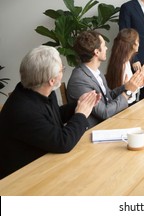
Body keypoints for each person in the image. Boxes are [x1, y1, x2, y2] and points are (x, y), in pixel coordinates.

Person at [0, 45, 100, 179]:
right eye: (61, 69)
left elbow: (53, 116)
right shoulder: (23, 110)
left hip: (45, 166)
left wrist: (80, 104)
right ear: (52, 80)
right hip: (21, 180)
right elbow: (62, 142)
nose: (63, 71)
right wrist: (81, 114)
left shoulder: (41, 90)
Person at [67, 31, 144, 127]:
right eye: (104, 46)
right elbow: (105, 112)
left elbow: (109, 96)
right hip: (95, 130)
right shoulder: (79, 80)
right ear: (97, 52)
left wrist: (128, 86)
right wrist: (128, 92)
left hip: (109, 124)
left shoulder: (95, 72)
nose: (107, 48)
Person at [106, 28, 144, 105]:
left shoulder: (122, 61)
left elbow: (130, 87)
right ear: (134, 45)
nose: (139, 44)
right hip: (124, 106)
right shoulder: (123, 65)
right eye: (138, 41)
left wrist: (141, 77)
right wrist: (142, 73)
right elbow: (128, 92)